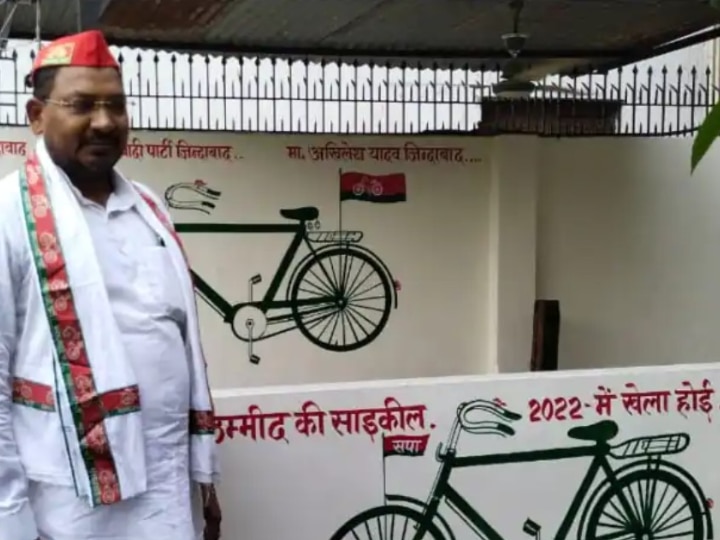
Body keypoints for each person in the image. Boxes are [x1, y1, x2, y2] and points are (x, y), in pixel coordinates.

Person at [0, 30, 222, 540]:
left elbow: (178, 348)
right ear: (36, 115)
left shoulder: (149, 208)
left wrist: (203, 478)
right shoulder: (11, 214)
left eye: (116, 106)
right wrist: (10, 520)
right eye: (81, 105)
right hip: (70, 506)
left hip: (166, 488)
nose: (103, 122)